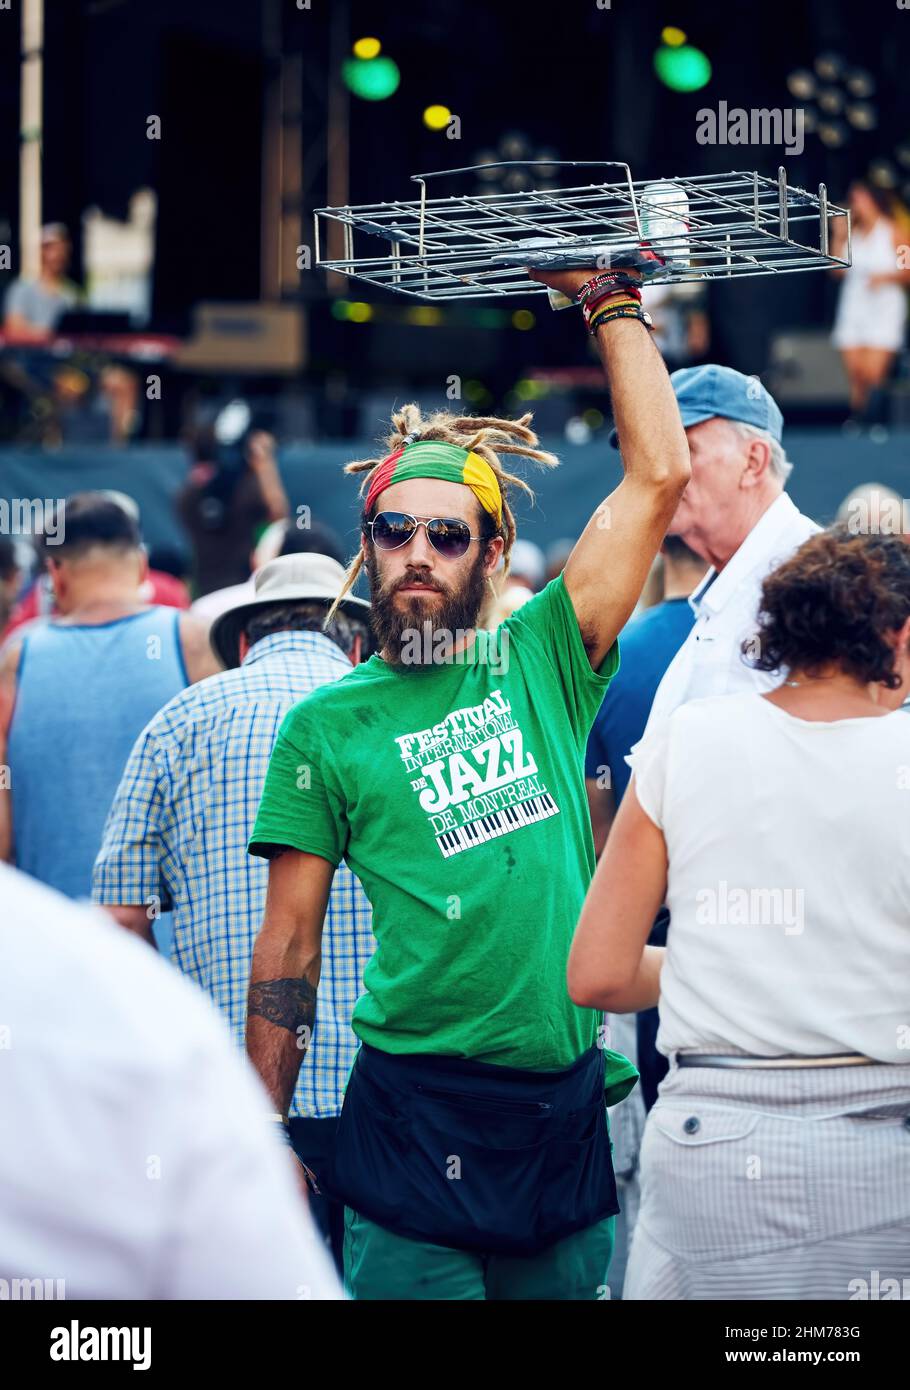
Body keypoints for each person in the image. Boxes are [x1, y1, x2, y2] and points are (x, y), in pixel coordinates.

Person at [244, 261, 691, 1301]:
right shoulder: (325, 724)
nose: (417, 554)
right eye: (394, 532)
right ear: (367, 544)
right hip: (410, 1117)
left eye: (448, 536)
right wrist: (264, 1121)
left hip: (558, 1115)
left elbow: (656, 477)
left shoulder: (544, 654)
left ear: (491, 553)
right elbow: (290, 944)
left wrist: (610, 304)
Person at [568, 526, 910, 1300]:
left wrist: (729, 965)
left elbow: (597, 972)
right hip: (883, 1155)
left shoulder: (688, 741)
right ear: (899, 635)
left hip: (709, 1147)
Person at [92, 553, 375, 1273]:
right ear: (356, 642)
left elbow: (120, 920)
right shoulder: (387, 713)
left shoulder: (176, 721)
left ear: (245, 641)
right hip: (389, 1091)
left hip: (235, 1099)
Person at [0, 862, 341, 1300]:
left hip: (279, 1100)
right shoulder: (127, 1018)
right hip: (361, 1102)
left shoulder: (124, 1015)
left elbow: (125, 910)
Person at [0, 493, 218, 898]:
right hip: (162, 942)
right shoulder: (191, 641)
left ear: (55, 575)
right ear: (139, 564)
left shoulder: (17, 657)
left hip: (54, 927)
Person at [585, 536, 708, 856]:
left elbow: (598, 830)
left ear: (660, 544)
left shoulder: (610, 658)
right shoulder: (769, 645)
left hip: (642, 889)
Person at [831, 181, 910, 426]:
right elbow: (836, 270)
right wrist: (839, 234)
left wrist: (885, 277)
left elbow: (908, 269)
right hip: (854, 307)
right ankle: (860, 419)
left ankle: (872, 417)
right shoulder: (852, 234)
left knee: (872, 372)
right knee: (856, 372)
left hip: (884, 308)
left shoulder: (893, 231)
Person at [178, 427, 289, 597]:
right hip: (234, 593)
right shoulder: (246, 489)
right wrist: (265, 462)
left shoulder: (186, 495)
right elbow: (279, 514)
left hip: (214, 592)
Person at [3, 224, 79, 342]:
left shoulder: (71, 293)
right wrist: (50, 336)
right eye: (53, 248)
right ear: (42, 251)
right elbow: (14, 330)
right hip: (28, 358)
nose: (59, 254)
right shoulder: (21, 288)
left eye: (62, 248)